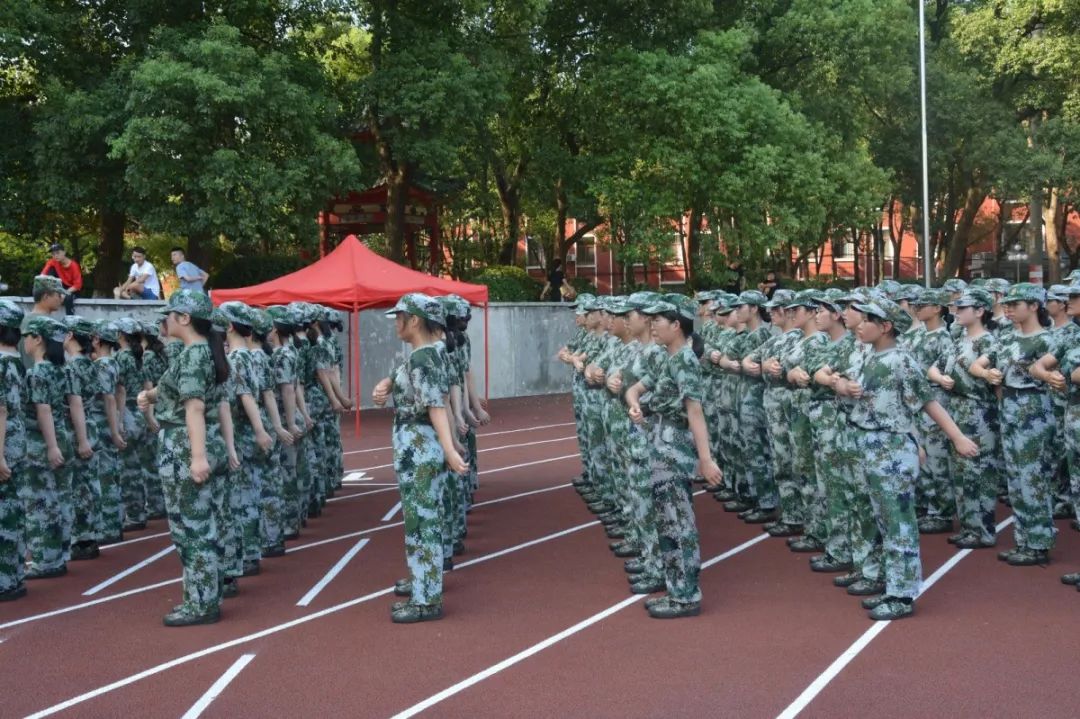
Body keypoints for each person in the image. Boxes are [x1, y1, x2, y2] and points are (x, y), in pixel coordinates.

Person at [837, 297, 976, 620]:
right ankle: (890, 581)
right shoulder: (868, 355)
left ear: (885, 326)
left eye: (867, 320)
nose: (859, 325)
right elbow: (842, 382)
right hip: (867, 444)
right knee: (882, 519)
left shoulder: (901, 360)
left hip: (892, 449)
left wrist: (957, 437)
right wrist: (843, 386)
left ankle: (902, 594)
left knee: (899, 522)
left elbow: (928, 402)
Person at [626, 294, 723, 619]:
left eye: (658, 321)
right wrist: (638, 405)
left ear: (676, 325)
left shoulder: (683, 362)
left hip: (674, 451)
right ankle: (676, 589)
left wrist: (705, 459)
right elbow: (641, 390)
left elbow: (695, 412)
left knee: (678, 522)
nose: (653, 325)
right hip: (661, 446)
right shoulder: (671, 358)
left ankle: (686, 595)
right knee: (668, 522)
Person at [138, 289, 231, 626]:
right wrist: (150, 395)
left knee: (192, 529)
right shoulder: (199, 352)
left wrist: (197, 457)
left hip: (185, 443)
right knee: (204, 524)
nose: (165, 320)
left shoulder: (194, 354)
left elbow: (194, 407)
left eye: (170, 313)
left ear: (185, 318)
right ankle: (204, 596)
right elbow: (177, 388)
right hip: (196, 440)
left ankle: (202, 604)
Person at [373, 293, 467, 624]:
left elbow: (436, 407)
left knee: (422, 523)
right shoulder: (424, 355)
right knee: (421, 521)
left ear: (415, 321)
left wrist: (450, 449)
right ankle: (421, 582)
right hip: (418, 450)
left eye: (400, 317)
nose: (396, 322)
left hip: (421, 451)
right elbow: (412, 384)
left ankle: (426, 600)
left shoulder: (425, 358)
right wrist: (386, 384)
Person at [21, 315, 73, 580]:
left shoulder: (38, 371)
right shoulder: (60, 369)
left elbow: (43, 410)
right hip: (61, 433)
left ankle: (45, 559)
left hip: (43, 441)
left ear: (38, 339)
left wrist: (51, 447)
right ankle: (61, 552)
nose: (24, 342)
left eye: (26, 337)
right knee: (60, 497)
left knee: (40, 501)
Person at [0, 299, 28, 601]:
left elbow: (0, 411)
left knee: (5, 513)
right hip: (16, 441)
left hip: (4, 442)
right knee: (13, 510)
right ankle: (14, 573)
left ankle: (5, 579)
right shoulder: (16, 361)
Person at [20, 275, 68, 369]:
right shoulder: (49, 324)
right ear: (45, 296)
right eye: (58, 294)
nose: (61, 298)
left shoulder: (23, 321)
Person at [41, 245, 82, 315]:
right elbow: (43, 275)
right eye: (53, 254)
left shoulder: (74, 265)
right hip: (59, 286)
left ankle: (70, 318)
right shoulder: (53, 262)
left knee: (68, 298)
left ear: (64, 252)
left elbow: (77, 285)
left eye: (57, 253)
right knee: (50, 270)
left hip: (72, 289)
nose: (55, 256)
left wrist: (64, 292)